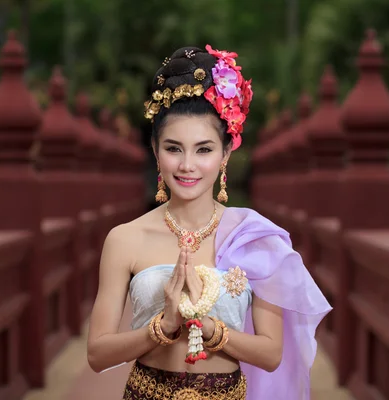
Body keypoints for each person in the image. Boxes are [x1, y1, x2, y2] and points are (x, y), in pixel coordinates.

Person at [86, 45, 332, 400]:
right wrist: (164, 327)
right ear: (155, 151)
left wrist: (215, 330)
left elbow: (271, 354)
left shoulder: (254, 238)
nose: (187, 165)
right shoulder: (124, 239)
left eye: (204, 150)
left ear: (226, 153)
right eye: (173, 149)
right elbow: (97, 354)